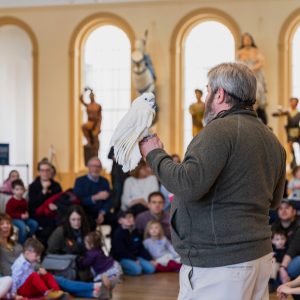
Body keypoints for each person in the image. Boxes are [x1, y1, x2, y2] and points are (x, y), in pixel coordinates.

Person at [139, 62, 286, 299]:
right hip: (256, 257)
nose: (206, 96)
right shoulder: (272, 140)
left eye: (208, 90)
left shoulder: (218, 131)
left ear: (220, 94)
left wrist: (154, 154)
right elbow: (275, 200)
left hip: (221, 264)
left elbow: (187, 185)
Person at [0, 213, 110, 299]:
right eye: (2, 223)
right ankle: (95, 286)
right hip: (14, 282)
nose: (6, 226)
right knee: (60, 281)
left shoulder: (18, 245)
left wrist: (39, 268)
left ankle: (94, 294)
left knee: (53, 280)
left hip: (31, 274)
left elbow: (31, 260)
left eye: (8, 223)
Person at [111, 210, 155, 276]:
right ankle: (121, 270)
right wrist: (134, 260)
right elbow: (121, 252)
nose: (128, 219)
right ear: (120, 221)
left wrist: (150, 259)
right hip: (123, 258)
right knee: (137, 270)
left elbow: (141, 248)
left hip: (136, 257)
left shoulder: (136, 231)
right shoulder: (117, 234)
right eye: (125, 217)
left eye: (130, 217)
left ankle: (135, 266)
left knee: (151, 269)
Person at [28, 160, 62, 245]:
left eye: (47, 170)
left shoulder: (56, 185)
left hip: (52, 214)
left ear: (51, 171)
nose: (45, 173)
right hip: (37, 214)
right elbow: (32, 204)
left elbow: (61, 200)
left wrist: (55, 205)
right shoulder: (33, 186)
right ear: (39, 172)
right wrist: (44, 191)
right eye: (42, 170)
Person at [237, 33, 268, 124]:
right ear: (243, 41)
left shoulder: (255, 50)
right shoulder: (240, 52)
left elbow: (261, 62)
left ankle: (255, 107)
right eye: (245, 39)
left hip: (255, 74)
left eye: (249, 39)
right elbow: (237, 64)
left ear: (251, 40)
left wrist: (252, 69)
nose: (247, 41)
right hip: (244, 75)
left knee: (257, 89)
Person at [73, 157, 112, 229]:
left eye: (98, 166)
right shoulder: (80, 181)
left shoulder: (104, 181)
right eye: (93, 166)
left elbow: (109, 201)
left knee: (118, 219)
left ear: (100, 168)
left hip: (101, 212)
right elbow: (78, 201)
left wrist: (102, 213)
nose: (96, 169)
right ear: (88, 167)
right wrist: (96, 197)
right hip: (86, 212)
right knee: (89, 223)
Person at [6, 179, 38, 244]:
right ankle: (22, 244)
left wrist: (27, 214)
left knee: (34, 223)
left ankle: (28, 238)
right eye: (17, 189)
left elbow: (25, 210)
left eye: (21, 189)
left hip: (24, 218)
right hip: (14, 219)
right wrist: (20, 216)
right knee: (22, 226)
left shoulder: (24, 201)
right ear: (13, 190)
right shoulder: (11, 201)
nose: (20, 191)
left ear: (24, 190)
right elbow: (8, 213)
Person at [273, 97, 300, 168]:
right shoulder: (288, 112)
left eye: (294, 102)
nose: (293, 103)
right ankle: (293, 160)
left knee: (296, 146)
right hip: (290, 131)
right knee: (290, 146)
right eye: (292, 102)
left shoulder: (298, 113)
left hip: (297, 131)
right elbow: (278, 114)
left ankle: (295, 160)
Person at [80, 88, 102, 164]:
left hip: (96, 124)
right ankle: (89, 141)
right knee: (83, 126)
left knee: (95, 140)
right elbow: (81, 99)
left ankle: (95, 157)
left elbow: (100, 118)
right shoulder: (88, 105)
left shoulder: (98, 106)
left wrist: (98, 128)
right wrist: (84, 91)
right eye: (90, 96)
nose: (91, 97)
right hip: (90, 123)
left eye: (92, 96)